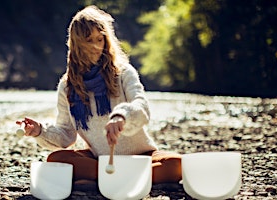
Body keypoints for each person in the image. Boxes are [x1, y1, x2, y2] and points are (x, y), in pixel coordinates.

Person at [16, 5, 181, 186]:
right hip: (100, 159)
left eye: (100, 39)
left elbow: (141, 107)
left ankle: (106, 180)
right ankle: (126, 180)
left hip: (140, 157)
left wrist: (121, 116)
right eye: (88, 40)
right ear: (77, 44)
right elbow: (66, 135)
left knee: (176, 164)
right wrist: (40, 130)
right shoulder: (67, 87)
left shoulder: (124, 72)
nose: (96, 47)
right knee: (57, 158)